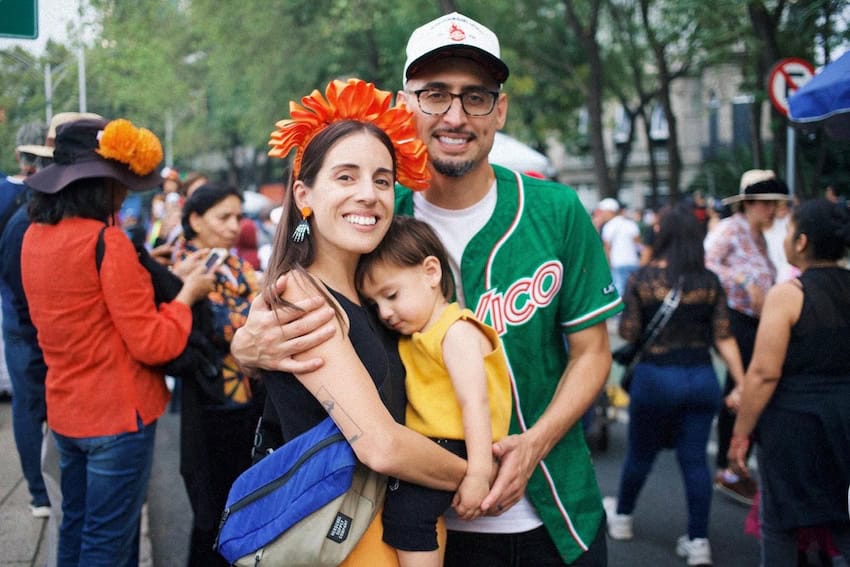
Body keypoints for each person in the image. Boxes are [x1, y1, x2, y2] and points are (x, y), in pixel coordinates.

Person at [231, 13, 621, 565]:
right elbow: (302, 295)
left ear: (500, 109)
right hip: (416, 526)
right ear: (404, 104)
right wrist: (246, 346)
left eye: (476, 97)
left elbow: (593, 353)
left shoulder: (554, 210)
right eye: (434, 95)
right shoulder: (374, 228)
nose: (455, 116)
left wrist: (531, 448)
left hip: (552, 511)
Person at [244, 77, 475, 566]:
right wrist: (477, 473)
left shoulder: (373, 293)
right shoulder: (301, 296)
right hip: (345, 540)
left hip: (395, 531)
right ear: (304, 193)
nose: (368, 194)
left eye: (383, 179)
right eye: (346, 177)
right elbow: (382, 446)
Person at [20, 117, 214, 567]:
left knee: (75, 528)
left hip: (67, 413)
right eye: (118, 182)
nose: (125, 192)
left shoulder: (34, 237)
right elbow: (154, 343)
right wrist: (186, 295)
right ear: (98, 186)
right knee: (108, 544)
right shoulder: (106, 242)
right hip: (117, 418)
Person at [356, 215, 511, 566]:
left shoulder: (455, 332)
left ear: (431, 272)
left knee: (407, 518)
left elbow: (475, 403)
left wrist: (478, 473)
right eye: (375, 304)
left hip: (456, 443)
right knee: (403, 516)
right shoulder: (418, 334)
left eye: (391, 295)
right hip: (438, 442)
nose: (386, 312)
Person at [602, 204, 745, 566]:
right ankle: (698, 542)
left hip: (654, 380)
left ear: (660, 236)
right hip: (700, 379)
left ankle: (622, 518)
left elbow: (629, 331)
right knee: (695, 462)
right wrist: (742, 383)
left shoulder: (642, 278)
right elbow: (724, 337)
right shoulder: (708, 281)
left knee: (640, 453)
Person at [728, 199, 850, 567]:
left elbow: (764, 372)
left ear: (801, 241)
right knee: (844, 519)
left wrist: (740, 434)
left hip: (796, 426)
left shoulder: (788, 294)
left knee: (781, 525)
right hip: (846, 418)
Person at [174, 183, 265, 566]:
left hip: (239, 401)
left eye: (238, 216)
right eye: (223, 217)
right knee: (215, 514)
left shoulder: (227, 263)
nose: (234, 226)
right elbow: (229, 329)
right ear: (195, 219)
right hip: (214, 405)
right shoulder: (193, 267)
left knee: (233, 509)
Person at [704, 169, 792, 507]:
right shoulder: (731, 229)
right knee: (741, 389)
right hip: (738, 319)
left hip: (757, 320)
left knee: (747, 388)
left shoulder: (757, 235)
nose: (773, 212)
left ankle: (734, 464)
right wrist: (743, 280)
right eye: (768, 204)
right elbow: (706, 262)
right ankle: (730, 466)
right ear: (751, 204)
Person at [0, 121, 51, 514]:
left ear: (19, 153)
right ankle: (50, 483)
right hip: (46, 314)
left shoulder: (2, 192)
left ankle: (38, 492)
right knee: (50, 399)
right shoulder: (57, 193)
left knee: (27, 404)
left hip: (16, 317)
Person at [598, 197, 642, 296]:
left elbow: (607, 248)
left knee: (620, 291)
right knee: (633, 290)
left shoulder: (609, 226)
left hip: (617, 263)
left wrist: (608, 266)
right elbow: (639, 244)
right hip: (633, 262)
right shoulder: (630, 223)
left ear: (609, 211)